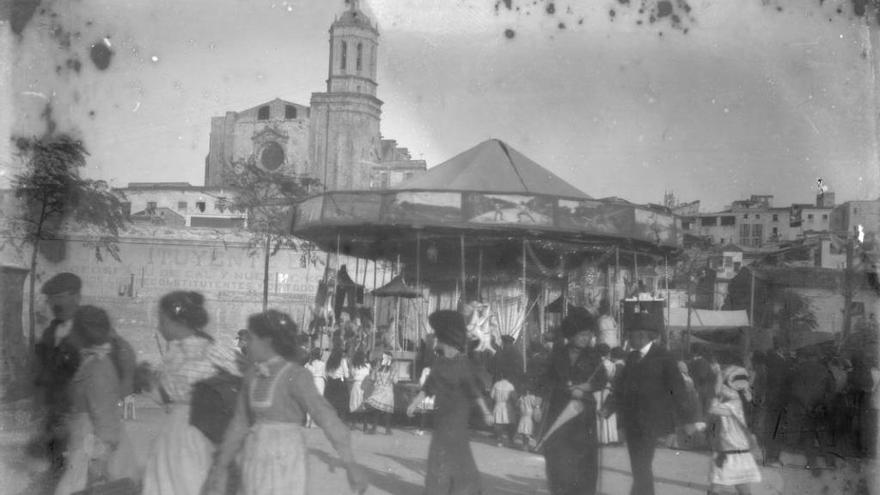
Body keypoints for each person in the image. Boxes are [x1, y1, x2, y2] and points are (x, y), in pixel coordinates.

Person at [202, 310, 368, 495]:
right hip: (254, 456)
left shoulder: (296, 375)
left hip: (286, 458)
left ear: (268, 341)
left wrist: (350, 463)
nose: (248, 344)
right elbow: (239, 423)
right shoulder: (251, 376)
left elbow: (326, 416)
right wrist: (220, 466)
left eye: (253, 338)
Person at [31, 272, 136, 476]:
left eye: (60, 297)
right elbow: (43, 372)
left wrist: (125, 384)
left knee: (81, 470)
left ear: (76, 297)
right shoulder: (49, 333)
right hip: (58, 414)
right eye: (51, 299)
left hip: (88, 414)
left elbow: (124, 355)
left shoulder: (93, 326)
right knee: (56, 468)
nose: (54, 304)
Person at [141, 291, 241, 495]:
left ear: (178, 321)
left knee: (186, 479)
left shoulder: (208, 349)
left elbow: (242, 373)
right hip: (179, 429)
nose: (159, 326)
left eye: (162, 320)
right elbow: (165, 396)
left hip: (196, 429)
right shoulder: (176, 353)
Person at [602, 311, 701, 495]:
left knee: (641, 467)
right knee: (638, 468)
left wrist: (688, 419)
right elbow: (621, 388)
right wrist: (607, 408)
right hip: (632, 423)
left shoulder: (664, 357)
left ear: (642, 335)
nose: (628, 338)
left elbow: (678, 389)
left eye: (630, 334)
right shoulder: (631, 358)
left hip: (653, 422)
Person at [406, 310, 494, 495]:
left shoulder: (463, 365)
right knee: (440, 454)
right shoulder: (439, 364)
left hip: (458, 416)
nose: (437, 343)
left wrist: (486, 412)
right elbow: (428, 388)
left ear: (449, 343)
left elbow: (474, 391)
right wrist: (414, 404)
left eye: (439, 340)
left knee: (455, 453)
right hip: (442, 414)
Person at [53, 306, 138, 495]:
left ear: (79, 333)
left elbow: (106, 419)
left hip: (92, 446)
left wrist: (98, 464)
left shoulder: (98, 367)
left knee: (80, 487)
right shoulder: (91, 362)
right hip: (85, 440)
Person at [539, 307, 607, 495]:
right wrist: (563, 389)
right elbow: (546, 379)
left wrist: (584, 388)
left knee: (582, 459)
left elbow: (601, 380)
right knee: (558, 458)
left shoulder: (594, 356)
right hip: (559, 411)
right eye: (582, 334)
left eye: (588, 334)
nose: (586, 338)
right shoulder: (557, 353)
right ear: (572, 334)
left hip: (583, 415)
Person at [706, 365, 762, 495]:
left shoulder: (735, 401)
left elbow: (713, 409)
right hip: (735, 449)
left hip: (730, 449)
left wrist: (718, 381)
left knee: (719, 486)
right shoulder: (741, 397)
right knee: (739, 486)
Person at [365, 351, 398, 435]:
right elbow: (395, 381)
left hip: (378, 390)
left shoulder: (377, 369)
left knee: (376, 410)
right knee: (387, 411)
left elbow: (372, 378)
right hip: (388, 392)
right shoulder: (392, 370)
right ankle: (387, 430)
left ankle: (374, 428)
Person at [594, 343, 618, 445]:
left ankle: (599, 437)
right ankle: (610, 437)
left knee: (597, 410)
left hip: (596, 390)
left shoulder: (595, 363)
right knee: (608, 410)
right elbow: (613, 378)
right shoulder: (611, 364)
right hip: (607, 389)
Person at [324, 342, 350, 423]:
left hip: (331, 382)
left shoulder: (329, 361)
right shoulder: (342, 361)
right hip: (340, 382)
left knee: (331, 401)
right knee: (342, 402)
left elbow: (326, 373)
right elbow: (346, 374)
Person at [490, 372, 517, 447]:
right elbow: (514, 397)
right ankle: (510, 440)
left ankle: (499, 440)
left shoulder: (496, 384)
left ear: (501, 376)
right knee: (509, 423)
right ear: (509, 377)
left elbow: (492, 396)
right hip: (507, 406)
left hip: (498, 405)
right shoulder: (510, 386)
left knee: (498, 423)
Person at [348, 350, 372, 429]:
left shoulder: (354, 367)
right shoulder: (368, 366)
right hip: (365, 385)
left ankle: (353, 424)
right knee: (364, 404)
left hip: (356, 385)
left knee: (354, 404)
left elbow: (352, 374)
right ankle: (365, 425)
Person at [304, 348, 326, 428]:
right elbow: (324, 374)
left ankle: (308, 421)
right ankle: (314, 422)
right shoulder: (322, 364)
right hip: (319, 381)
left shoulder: (308, 364)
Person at [516, 383, 542, 452]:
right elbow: (536, 405)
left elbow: (517, 405)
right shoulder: (531, 397)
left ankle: (525, 445)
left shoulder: (521, 397)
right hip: (528, 415)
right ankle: (525, 446)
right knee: (526, 432)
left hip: (524, 415)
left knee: (525, 432)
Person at [413, 364, 435, 436]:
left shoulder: (424, 374)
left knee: (423, 413)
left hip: (425, 395)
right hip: (433, 395)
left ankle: (421, 430)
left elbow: (420, 383)